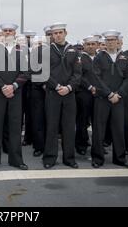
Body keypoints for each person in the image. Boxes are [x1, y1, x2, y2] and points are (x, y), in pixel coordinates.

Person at [0, 23, 28, 171]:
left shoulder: (22, 50)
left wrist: (13, 86)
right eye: (5, 31)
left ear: (15, 33)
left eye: (11, 31)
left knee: (15, 127)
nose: (8, 33)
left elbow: (26, 72)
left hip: (15, 93)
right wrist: (2, 86)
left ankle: (16, 160)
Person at [91, 30, 128, 168]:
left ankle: (119, 158)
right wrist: (109, 94)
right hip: (103, 99)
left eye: (113, 40)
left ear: (118, 41)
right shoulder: (99, 57)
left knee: (119, 129)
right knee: (99, 129)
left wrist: (119, 93)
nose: (110, 43)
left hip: (118, 99)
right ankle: (97, 158)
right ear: (105, 42)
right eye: (107, 40)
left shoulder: (124, 57)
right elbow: (96, 78)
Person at [43, 23, 82, 169]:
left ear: (66, 33)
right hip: (53, 93)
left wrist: (69, 87)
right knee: (52, 126)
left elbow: (78, 73)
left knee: (69, 127)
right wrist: (58, 86)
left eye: (60, 32)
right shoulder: (46, 51)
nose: (57, 35)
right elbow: (44, 72)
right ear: (52, 35)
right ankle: (49, 158)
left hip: (69, 94)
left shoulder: (74, 50)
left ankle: (69, 158)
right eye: (55, 33)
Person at [75, 35, 98, 156]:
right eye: (88, 44)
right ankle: (81, 145)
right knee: (82, 121)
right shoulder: (80, 58)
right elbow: (80, 75)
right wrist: (90, 87)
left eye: (93, 44)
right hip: (84, 93)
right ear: (84, 46)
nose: (90, 46)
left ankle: (97, 146)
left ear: (97, 45)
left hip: (99, 94)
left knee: (98, 122)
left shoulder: (100, 58)